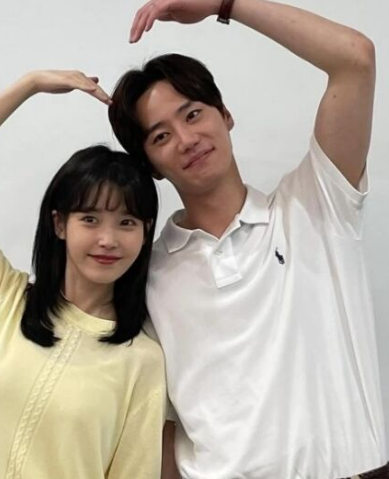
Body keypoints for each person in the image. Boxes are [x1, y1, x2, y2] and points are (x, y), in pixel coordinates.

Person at [108, 0, 387, 478]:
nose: (186, 139)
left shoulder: (316, 206)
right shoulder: (145, 275)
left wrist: (225, 4)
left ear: (225, 114)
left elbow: (355, 58)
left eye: (193, 114)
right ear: (149, 164)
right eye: (160, 136)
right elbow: (158, 423)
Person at [0, 69, 166, 479]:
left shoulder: (141, 361)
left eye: (127, 223)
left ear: (145, 232)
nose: (108, 239)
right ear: (60, 224)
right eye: (90, 219)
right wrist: (31, 84)